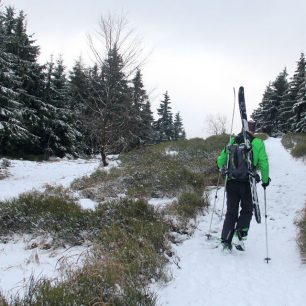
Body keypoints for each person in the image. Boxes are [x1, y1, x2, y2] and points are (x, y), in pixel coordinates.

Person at [217, 121, 270, 251]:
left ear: (242, 129)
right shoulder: (257, 143)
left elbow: (220, 160)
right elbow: (264, 163)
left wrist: (223, 171)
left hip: (231, 182)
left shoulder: (232, 140)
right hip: (247, 183)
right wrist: (265, 180)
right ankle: (239, 233)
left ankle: (225, 243)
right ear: (254, 130)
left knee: (231, 213)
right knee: (247, 210)